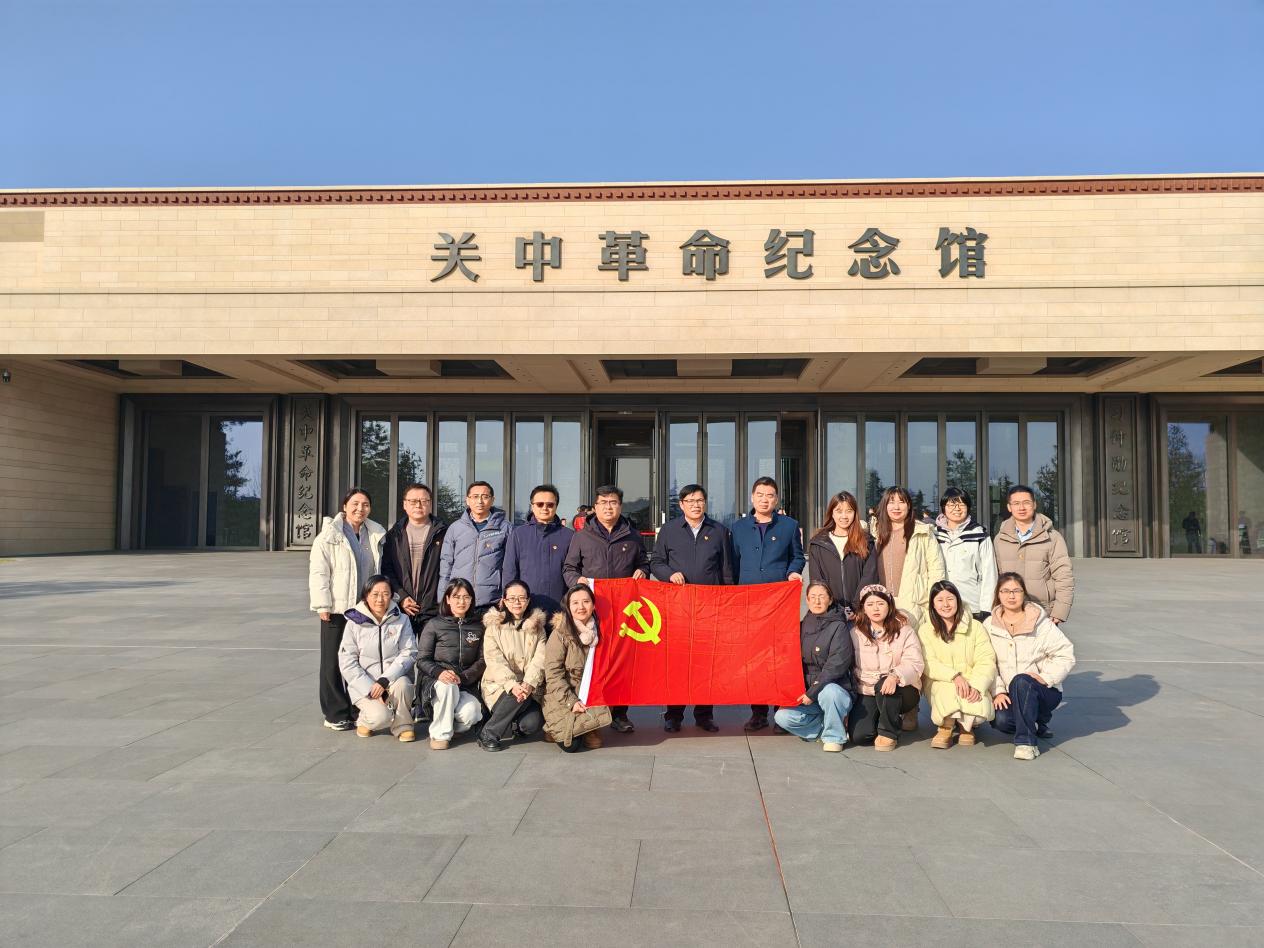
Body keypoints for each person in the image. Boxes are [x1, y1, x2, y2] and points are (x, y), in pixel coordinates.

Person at [563, 484, 649, 733]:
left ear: (620, 506)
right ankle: (593, 710)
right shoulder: (582, 536)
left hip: (623, 611)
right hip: (592, 611)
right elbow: (569, 568)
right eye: (603, 503)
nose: (608, 507)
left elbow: (644, 562)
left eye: (613, 502)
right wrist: (577, 582)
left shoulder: (632, 536)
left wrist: (642, 571)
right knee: (592, 660)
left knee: (622, 663)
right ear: (595, 507)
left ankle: (620, 714)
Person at [649, 483, 734, 732]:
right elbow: (656, 562)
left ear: (705, 503)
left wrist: (727, 604)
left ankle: (704, 715)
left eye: (699, 500)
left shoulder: (719, 531)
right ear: (682, 505)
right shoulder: (669, 530)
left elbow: (726, 570)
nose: (695, 505)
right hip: (678, 608)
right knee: (677, 662)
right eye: (690, 501)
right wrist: (669, 574)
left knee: (706, 663)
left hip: (709, 608)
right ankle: (673, 715)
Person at [731, 476, 805, 732]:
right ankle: (758, 713)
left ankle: (781, 713)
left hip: (779, 603)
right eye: (760, 495)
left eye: (770, 495)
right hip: (749, 603)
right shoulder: (738, 528)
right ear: (752, 497)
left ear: (776, 499)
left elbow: (797, 557)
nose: (764, 500)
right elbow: (733, 563)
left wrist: (793, 572)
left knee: (780, 657)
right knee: (755, 659)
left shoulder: (789, 525)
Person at [309, 487, 386, 731]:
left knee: (359, 660)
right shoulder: (329, 535)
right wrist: (322, 604)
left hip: (363, 610)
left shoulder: (374, 534)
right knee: (332, 661)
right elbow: (319, 573)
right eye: (355, 504)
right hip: (337, 608)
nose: (360, 509)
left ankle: (357, 706)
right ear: (344, 506)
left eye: (365, 505)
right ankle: (335, 713)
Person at [985, 572, 1076, 760]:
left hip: (1042, 690)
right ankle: (1032, 722)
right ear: (998, 595)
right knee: (1000, 720)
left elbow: (1065, 653)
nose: (1011, 596)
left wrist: (1046, 677)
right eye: (1005, 591)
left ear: (1024, 593)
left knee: (1021, 681)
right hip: (1009, 694)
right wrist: (998, 691)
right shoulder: (989, 625)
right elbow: (987, 662)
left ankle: (1026, 743)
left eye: (1016, 591)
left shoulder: (1040, 623)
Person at [773, 582, 855, 752]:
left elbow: (836, 665)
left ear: (830, 600)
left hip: (833, 687)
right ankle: (822, 729)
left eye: (822, 596)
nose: (817, 601)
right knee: (782, 717)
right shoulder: (801, 626)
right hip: (807, 692)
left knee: (830, 692)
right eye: (813, 597)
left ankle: (834, 737)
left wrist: (813, 691)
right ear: (807, 600)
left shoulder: (839, 626)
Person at [917, 580, 997, 749]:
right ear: (933, 605)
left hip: (971, 679)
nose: (946, 604)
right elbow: (929, 662)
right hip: (941, 680)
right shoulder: (925, 630)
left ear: (958, 601)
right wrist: (954, 676)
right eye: (940, 600)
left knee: (977, 708)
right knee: (946, 692)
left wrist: (977, 686)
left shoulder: (976, 627)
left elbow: (986, 659)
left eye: (950, 599)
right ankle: (945, 727)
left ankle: (966, 727)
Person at [337, 574, 417, 742]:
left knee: (403, 685)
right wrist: (369, 687)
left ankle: (403, 725)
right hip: (366, 685)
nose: (380, 599)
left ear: (392, 596)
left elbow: (409, 652)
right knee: (381, 718)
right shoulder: (354, 623)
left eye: (385, 594)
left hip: (393, 680)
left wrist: (385, 680)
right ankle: (364, 720)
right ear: (366, 596)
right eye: (375, 594)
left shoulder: (402, 619)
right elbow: (347, 662)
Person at [848, 584, 924, 751]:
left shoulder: (905, 631)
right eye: (870, 604)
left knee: (886, 684)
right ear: (863, 608)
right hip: (868, 689)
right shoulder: (855, 633)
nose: (875, 608)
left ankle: (889, 733)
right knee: (860, 736)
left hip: (902, 689)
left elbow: (915, 662)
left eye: (880, 603)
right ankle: (884, 718)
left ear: (889, 606)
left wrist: (894, 675)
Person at [478, 580, 548, 751]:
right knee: (515, 696)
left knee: (532, 724)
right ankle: (488, 733)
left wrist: (529, 683)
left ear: (528, 600)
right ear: (504, 601)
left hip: (528, 687)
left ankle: (512, 723)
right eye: (512, 598)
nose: (517, 602)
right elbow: (494, 661)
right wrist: (512, 685)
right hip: (499, 686)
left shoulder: (538, 628)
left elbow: (540, 659)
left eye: (522, 598)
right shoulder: (494, 627)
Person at [416, 578, 485, 750]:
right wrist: (440, 673)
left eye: (466, 597)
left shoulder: (478, 626)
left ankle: (449, 725)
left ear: (471, 600)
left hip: (464, 684)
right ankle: (440, 735)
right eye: (456, 596)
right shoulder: (434, 625)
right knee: (448, 686)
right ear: (447, 599)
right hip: (436, 684)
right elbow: (422, 659)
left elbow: (483, 660)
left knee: (473, 713)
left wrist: (463, 677)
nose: (461, 601)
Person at [543, 584, 613, 752]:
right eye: (575, 603)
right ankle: (551, 727)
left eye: (586, 602)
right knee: (571, 746)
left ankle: (590, 729)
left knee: (591, 740)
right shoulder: (560, 633)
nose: (581, 607)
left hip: (591, 691)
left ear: (593, 605)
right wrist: (571, 701)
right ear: (568, 607)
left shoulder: (603, 631)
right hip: (564, 691)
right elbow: (553, 674)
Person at [993, 485, 1074, 625]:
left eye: (1026, 502)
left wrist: (1060, 611)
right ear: (1009, 507)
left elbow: (1064, 575)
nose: (1021, 508)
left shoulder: (1052, 537)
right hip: (1009, 610)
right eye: (1016, 503)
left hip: (1043, 610)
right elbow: (996, 576)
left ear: (1034, 505)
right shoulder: (1000, 539)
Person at [382, 482, 449, 637]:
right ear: (405, 505)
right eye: (413, 501)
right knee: (404, 651)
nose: (418, 505)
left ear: (430, 504)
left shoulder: (444, 533)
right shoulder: (394, 535)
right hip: (402, 609)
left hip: (434, 609)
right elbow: (387, 570)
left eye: (424, 501)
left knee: (429, 652)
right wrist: (402, 597)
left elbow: (449, 569)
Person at [502, 484, 574, 616]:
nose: (545, 508)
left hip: (560, 610)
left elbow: (572, 571)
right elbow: (510, 571)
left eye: (550, 505)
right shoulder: (519, 534)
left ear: (556, 506)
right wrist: (508, 599)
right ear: (532, 506)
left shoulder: (569, 536)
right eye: (540, 504)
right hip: (526, 610)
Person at [438, 481, 512, 609]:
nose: (480, 501)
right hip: (460, 601)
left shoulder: (505, 528)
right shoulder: (455, 528)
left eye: (485, 496)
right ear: (467, 500)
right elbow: (446, 564)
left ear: (492, 500)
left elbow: (511, 566)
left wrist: (507, 595)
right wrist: (442, 597)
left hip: (492, 601)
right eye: (475, 496)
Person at [807, 490, 878, 619]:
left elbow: (869, 577)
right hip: (830, 614)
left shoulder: (866, 541)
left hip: (860, 614)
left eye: (849, 511)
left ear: (855, 513)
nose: (844, 516)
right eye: (839, 511)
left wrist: (856, 607)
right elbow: (817, 581)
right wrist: (832, 609)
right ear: (832, 513)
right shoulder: (818, 543)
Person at [933, 487, 998, 620]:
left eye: (962, 504)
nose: (957, 509)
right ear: (943, 508)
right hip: (941, 605)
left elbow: (989, 573)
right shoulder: (933, 535)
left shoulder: (979, 535)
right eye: (951, 505)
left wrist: (987, 608)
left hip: (971, 604)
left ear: (968, 507)